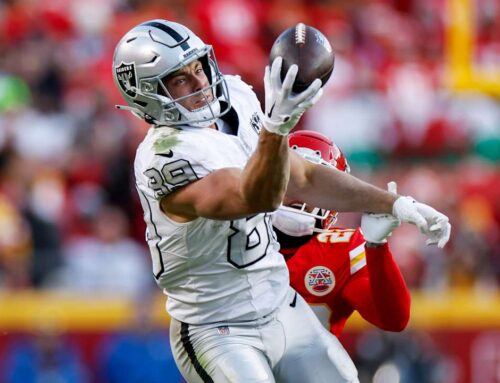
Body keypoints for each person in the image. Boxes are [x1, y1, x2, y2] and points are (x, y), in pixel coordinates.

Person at [112, 19, 450, 383]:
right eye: (180, 79)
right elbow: (255, 197)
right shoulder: (163, 156)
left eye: (198, 68)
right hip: (217, 327)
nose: (201, 84)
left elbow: (301, 175)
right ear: (147, 95)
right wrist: (276, 128)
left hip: (279, 304)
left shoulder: (237, 99)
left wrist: (393, 203)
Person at [272, 130, 411, 337]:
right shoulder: (236, 229)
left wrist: (377, 246)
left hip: (307, 367)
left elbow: (394, 319)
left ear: (332, 195)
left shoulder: (342, 250)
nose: (297, 191)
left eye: (312, 184)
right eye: (289, 179)